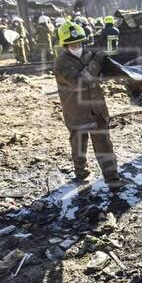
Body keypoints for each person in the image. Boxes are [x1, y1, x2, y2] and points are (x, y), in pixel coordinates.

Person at [53, 21, 123, 190]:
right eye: (72, 43)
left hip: (96, 109)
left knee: (104, 144)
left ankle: (112, 177)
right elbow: (80, 82)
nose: (76, 45)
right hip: (76, 111)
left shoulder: (88, 54)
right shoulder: (61, 63)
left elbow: (102, 74)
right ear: (65, 44)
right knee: (79, 144)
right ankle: (81, 171)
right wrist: (97, 61)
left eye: (79, 42)